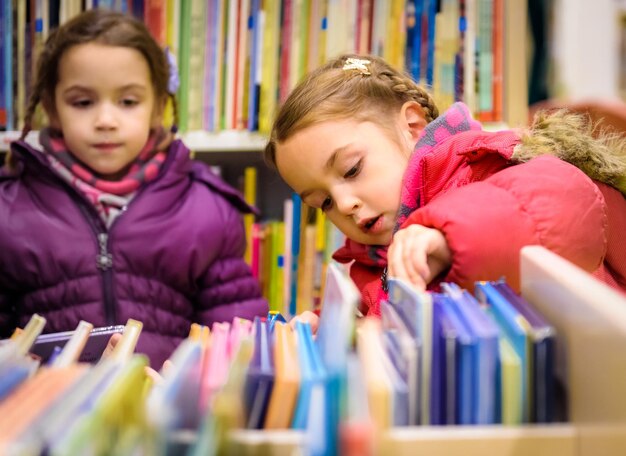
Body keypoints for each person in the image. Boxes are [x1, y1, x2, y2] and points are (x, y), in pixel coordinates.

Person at [265, 54, 626, 320]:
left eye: (352, 169)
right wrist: (343, 330)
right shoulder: (373, 263)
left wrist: (446, 236)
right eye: (323, 202)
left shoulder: (484, 161)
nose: (343, 204)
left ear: (413, 125)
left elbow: (564, 196)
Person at [0, 9, 268, 368]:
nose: (106, 121)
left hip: (162, 412)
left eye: (128, 102)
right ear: (52, 106)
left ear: (158, 107)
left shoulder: (206, 209)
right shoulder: (9, 211)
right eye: (82, 102)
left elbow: (237, 339)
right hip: (49, 412)